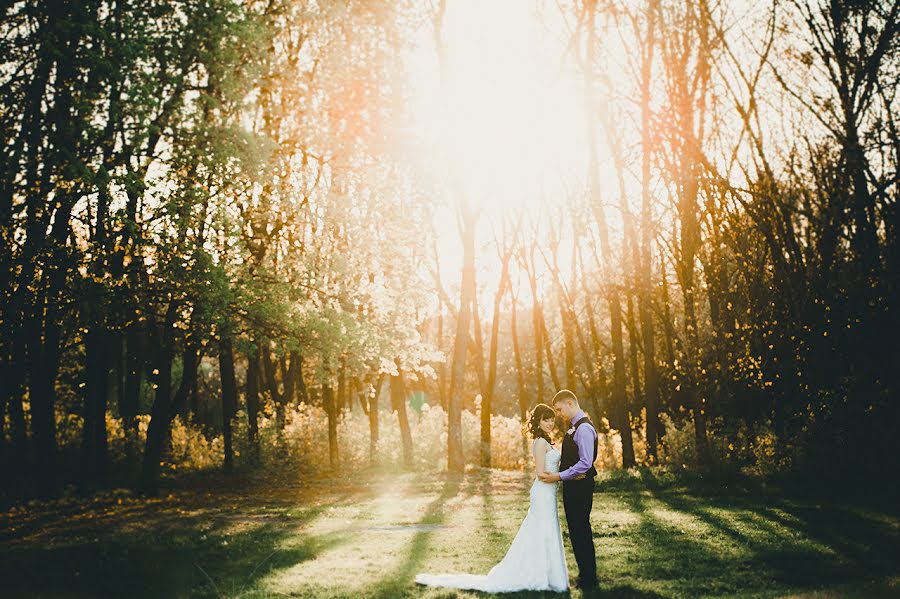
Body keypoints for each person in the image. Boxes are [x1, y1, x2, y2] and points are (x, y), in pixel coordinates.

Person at [414, 403, 569, 593]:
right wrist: (560, 476)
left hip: (549, 493)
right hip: (543, 492)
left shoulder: (546, 441)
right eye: (546, 419)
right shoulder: (540, 442)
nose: (550, 423)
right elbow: (539, 474)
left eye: (552, 419)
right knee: (541, 530)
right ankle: (538, 575)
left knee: (548, 530)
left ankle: (551, 575)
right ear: (538, 421)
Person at [539, 389, 599, 590]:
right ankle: (586, 575)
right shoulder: (576, 428)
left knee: (580, 529)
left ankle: (589, 578)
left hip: (580, 488)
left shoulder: (583, 429)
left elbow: (585, 463)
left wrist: (558, 476)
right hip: (574, 486)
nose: (559, 414)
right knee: (576, 530)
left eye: (559, 409)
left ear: (571, 403)